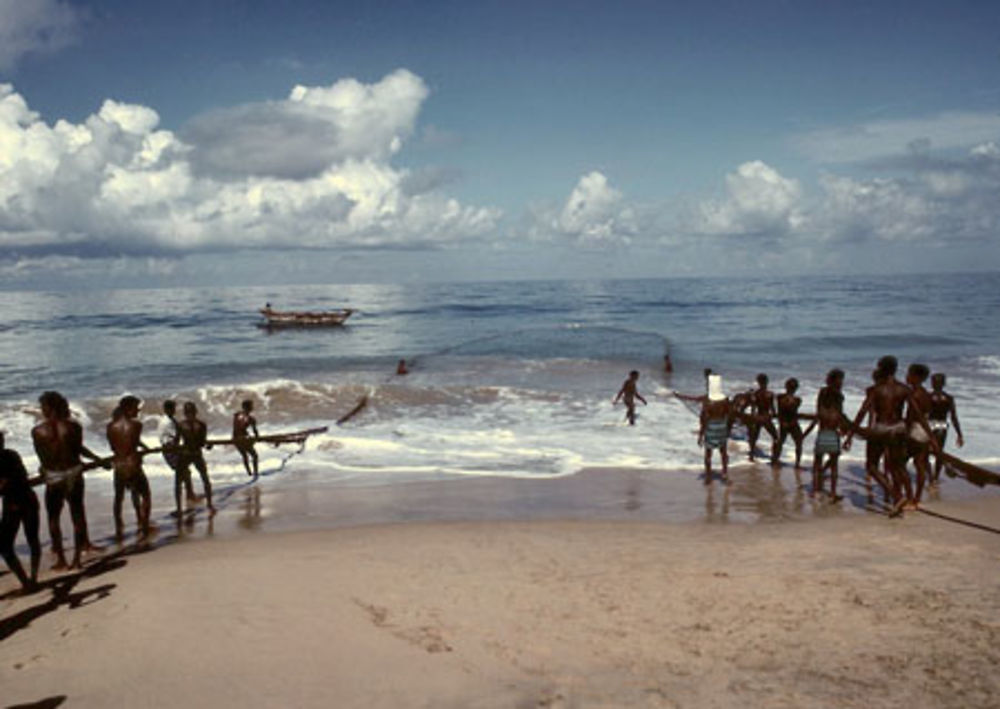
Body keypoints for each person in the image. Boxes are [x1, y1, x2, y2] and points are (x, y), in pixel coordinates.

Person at [32, 391, 104, 570]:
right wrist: (97, 459)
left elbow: (43, 459)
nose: (41, 410)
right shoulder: (73, 427)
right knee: (77, 514)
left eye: (43, 407)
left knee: (53, 518)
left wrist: (44, 471)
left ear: (49, 408)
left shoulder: (37, 431)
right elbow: (78, 449)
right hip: (73, 472)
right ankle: (77, 560)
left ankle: (62, 560)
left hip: (54, 476)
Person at [844, 356, 918, 513]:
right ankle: (907, 497)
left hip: (881, 428)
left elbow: (863, 411)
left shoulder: (877, 389)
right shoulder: (904, 389)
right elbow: (915, 413)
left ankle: (896, 496)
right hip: (899, 428)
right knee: (897, 466)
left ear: (881, 369)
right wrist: (928, 437)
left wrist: (851, 434)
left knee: (871, 466)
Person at [107, 396, 153, 541]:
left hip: (119, 466)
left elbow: (114, 447)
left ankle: (118, 529)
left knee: (118, 498)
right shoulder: (137, 425)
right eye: (135, 407)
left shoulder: (110, 427)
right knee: (145, 495)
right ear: (127, 408)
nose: (138, 410)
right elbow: (133, 443)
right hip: (134, 465)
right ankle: (144, 527)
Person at [1, 432, 41, 592]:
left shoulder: (9, 457)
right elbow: (21, 477)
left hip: (14, 504)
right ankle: (32, 579)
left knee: (5, 545)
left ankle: (27, 582)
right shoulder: (12, 454)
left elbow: (8, 484)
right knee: (32, 540)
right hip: (28, 500)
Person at [904, 363, 939, 506]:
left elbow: (913, 416)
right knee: (920, 464)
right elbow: (927, 416)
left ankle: (907, 495)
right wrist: (931, 437)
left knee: (898, 464)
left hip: (915, 430)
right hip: (924, 430)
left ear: (915, 377)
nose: (906, 377)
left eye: (909, 374)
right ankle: (917, 498)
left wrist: (905, 432)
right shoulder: (926, 394)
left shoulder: (914, 395)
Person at [812, 370, 847, 500]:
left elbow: (818, 411)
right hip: (833, 433)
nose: (842, 382)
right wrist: (845, 430)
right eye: (841, 380)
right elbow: (840, 415)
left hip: (823, 432)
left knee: (817, 462)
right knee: (833, 465)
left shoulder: (822, 393)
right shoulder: (839, 397)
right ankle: (832, 492)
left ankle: (815, 490)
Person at [179, 402, 215, 514]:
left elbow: (202, 441)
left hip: (190, 454)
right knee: (204, 478)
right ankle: (209, 504)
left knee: (204, 478)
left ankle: (209, 504)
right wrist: (207, 445)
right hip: (191, 454)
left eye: (190, 412)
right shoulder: (199, 425)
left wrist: (207, 445)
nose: (189, 414)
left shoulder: (183, 425)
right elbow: (202, 442)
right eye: (189, 412)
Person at [161, 400, 196, 517]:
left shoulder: (168, 420)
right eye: (172, 409)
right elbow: (176, 437)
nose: (174, 411)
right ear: (167, 409)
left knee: (185, 472)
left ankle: (189, 495)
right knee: (181, 474)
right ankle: (181, 505)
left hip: (171, 447)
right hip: (171, 449)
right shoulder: (168, 422)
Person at [928, 373, 964, 483]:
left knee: (925, 452)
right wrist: (959, 434)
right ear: (944, 384)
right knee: (939, 452)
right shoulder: (948, 398)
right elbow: (953, 417)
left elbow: (923, 414)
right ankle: (935, 477)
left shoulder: (928, 397)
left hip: (930, 425)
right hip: (942, 426)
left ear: (932, 383)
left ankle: (930, 476)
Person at [699, 374, 732, 484]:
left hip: (711, 428)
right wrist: (728, 429)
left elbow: (703, 419)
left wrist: (700, 435)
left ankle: (708, 477)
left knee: (708, 454)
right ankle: (725, 474)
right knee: (723, 452)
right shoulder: (725, 400)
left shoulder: (707, 401)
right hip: (722, 427)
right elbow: (729, 415)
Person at [747, 373, 779, 463]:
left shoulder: (755, 394)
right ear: (767, 382)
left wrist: (752, 418)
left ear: (758, 382)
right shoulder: (770, 394)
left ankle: (751, 456)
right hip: (766, 417)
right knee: (775, 437)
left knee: (754, 438)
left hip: (758, 417)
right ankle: (774, 457)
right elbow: (773, 409)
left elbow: (753, 409)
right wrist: (774, 415)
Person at [775, 378, 805, 469]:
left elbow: (783, 410)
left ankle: (778, 460)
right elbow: (784, 410)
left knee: (794, 442)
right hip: (789, 422)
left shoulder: (783, 398)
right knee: (785, 442)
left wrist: (782, 422)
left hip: (788, 422)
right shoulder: (795, 399)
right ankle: (796, 463)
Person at [233, 400, 259, 479]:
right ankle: (250, 473)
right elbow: (238, 426)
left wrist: (256, 438)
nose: (251, 408)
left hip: (245, 437)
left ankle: (254, 473)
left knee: (253, 456)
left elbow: (255, 430)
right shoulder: (239, 415)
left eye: (251, 406)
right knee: (246, 455)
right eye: (250, 406)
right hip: (237, 438)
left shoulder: (251, 419)